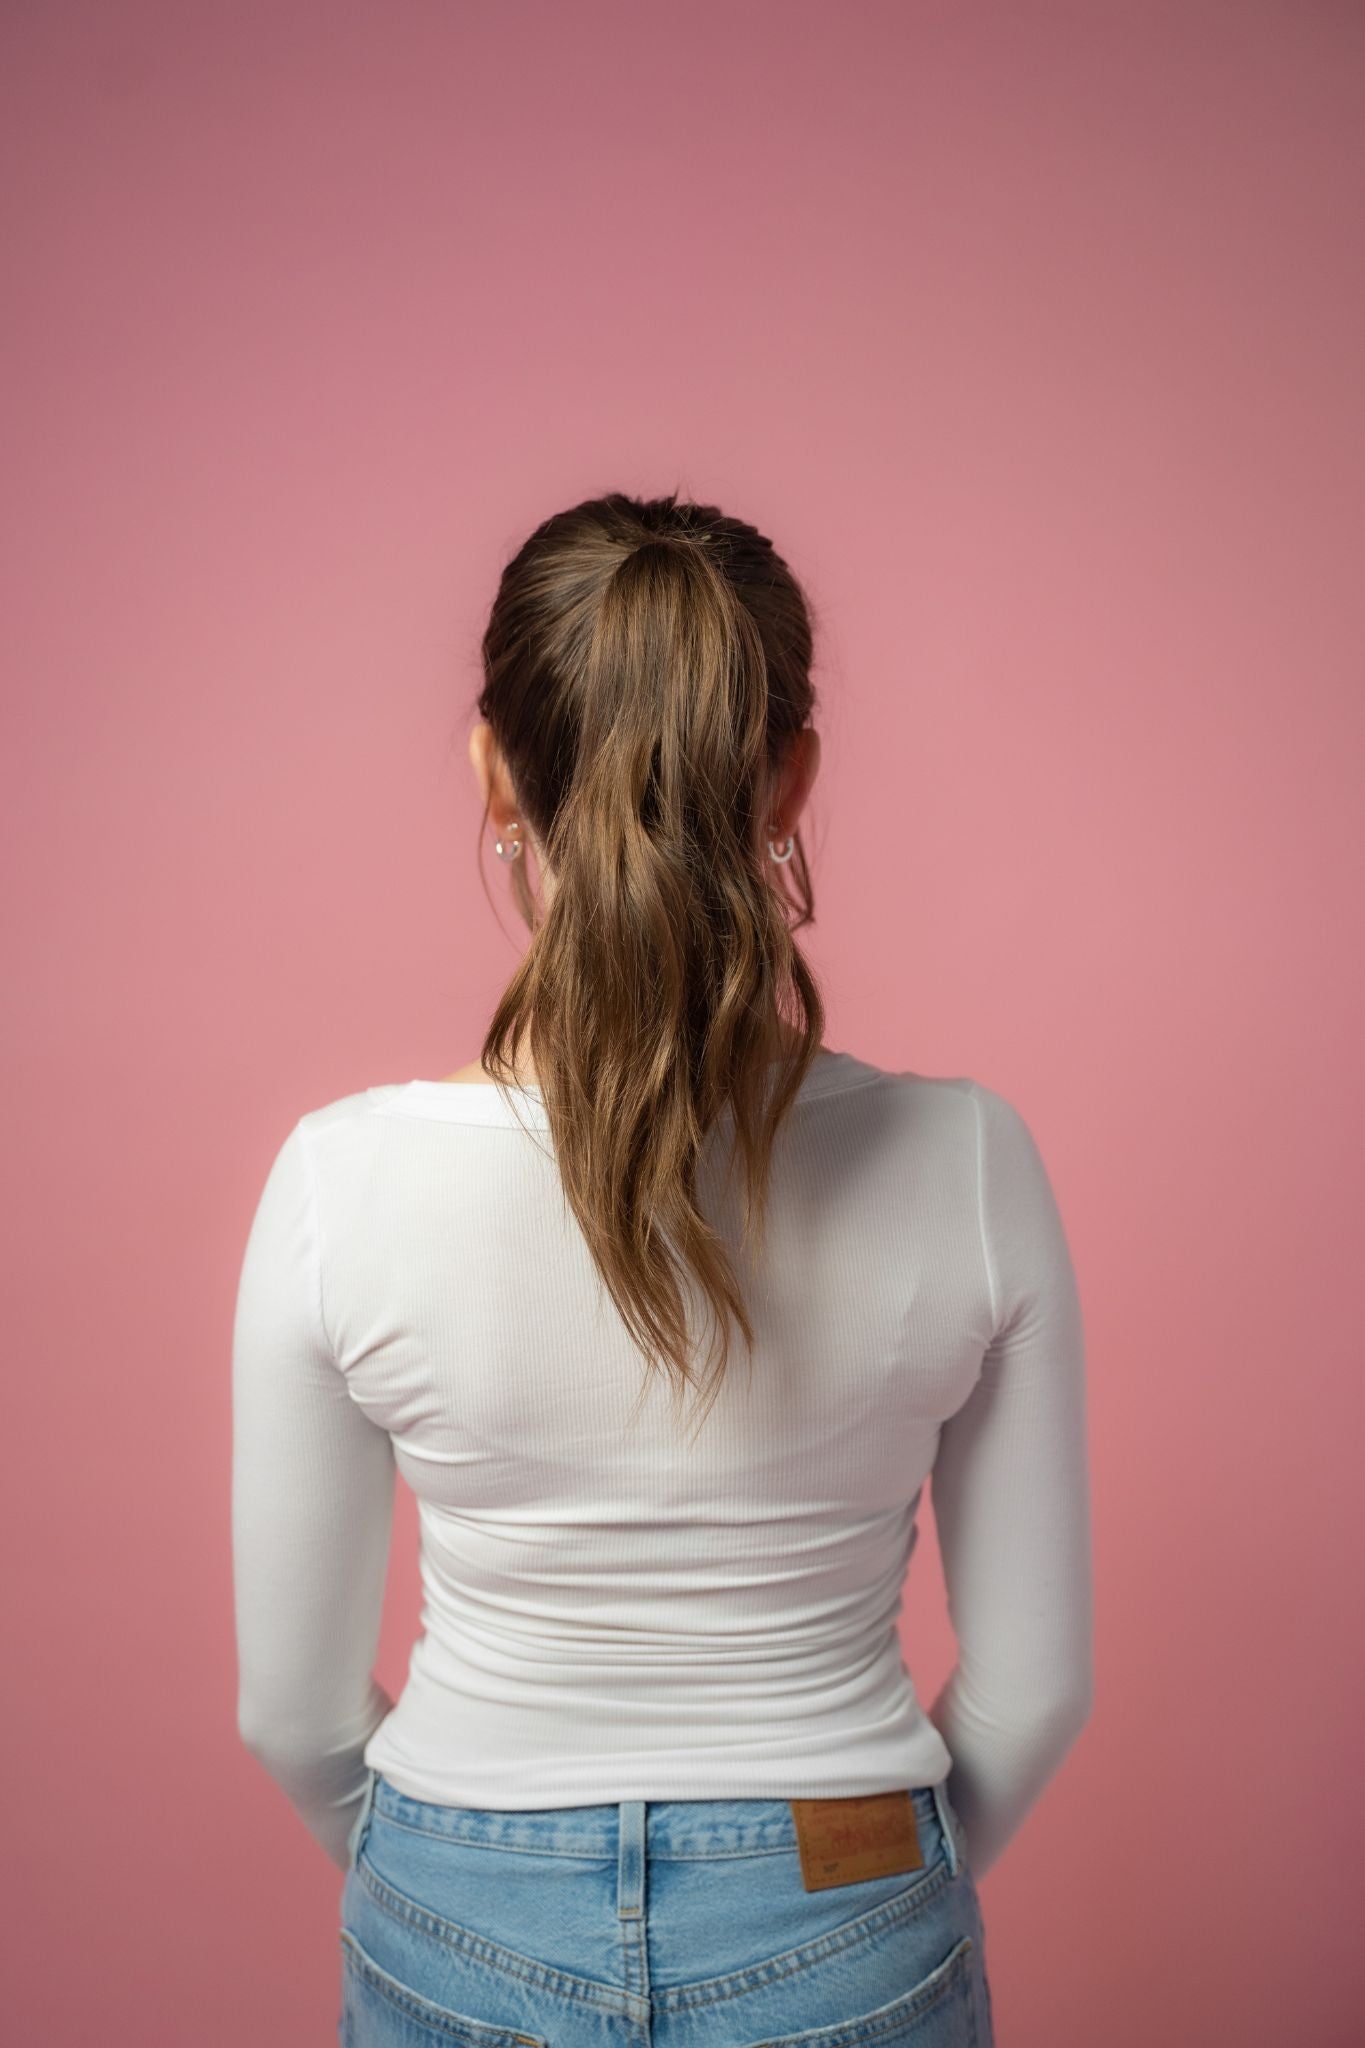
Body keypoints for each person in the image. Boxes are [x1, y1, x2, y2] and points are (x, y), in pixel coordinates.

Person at [231, 489, 1093, 2046]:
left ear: (498, 775)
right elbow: (1030, 1694)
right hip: (846, 1901)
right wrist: (861, 1898)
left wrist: (461, 1889)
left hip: (457, 1902)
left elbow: (294, 1716)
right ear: (789, 783)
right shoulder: (969, 1160)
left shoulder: (336, 1181)